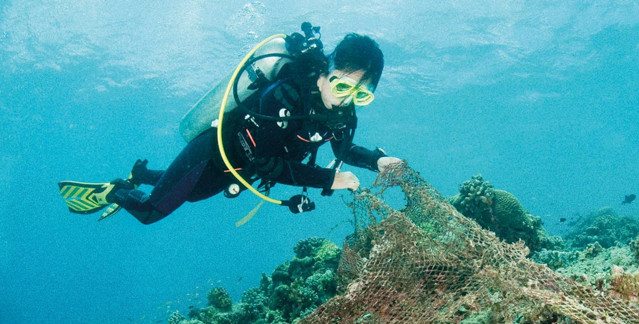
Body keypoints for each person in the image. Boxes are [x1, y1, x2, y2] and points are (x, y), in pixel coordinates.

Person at [59, 27, 403, 224]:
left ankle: (141, 174)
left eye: (362, 94)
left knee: (191, 196)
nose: (346, 99)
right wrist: (328, 179)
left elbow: (343, 148)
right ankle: (116, 190)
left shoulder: (344, 111)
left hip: (238, 170)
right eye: (342, 86)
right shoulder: (284, 96)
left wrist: (376, 160)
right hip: (214, 151)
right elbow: (263, 162)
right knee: (151, 212)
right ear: (325, 73)